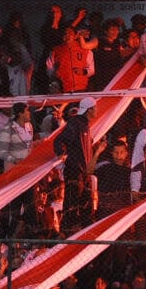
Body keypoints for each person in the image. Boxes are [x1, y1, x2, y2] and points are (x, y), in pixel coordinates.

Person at [54, 97, 97, 231]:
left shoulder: (84, 124)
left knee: (85, 203)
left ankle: (84, 231)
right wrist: (61, 154)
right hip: (75, 170)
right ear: (90, 110)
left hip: (83, 172)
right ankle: (67, 231)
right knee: (72, 203)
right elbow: (59, 140)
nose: (97, 110)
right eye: (95, 108)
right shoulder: (76, 123)